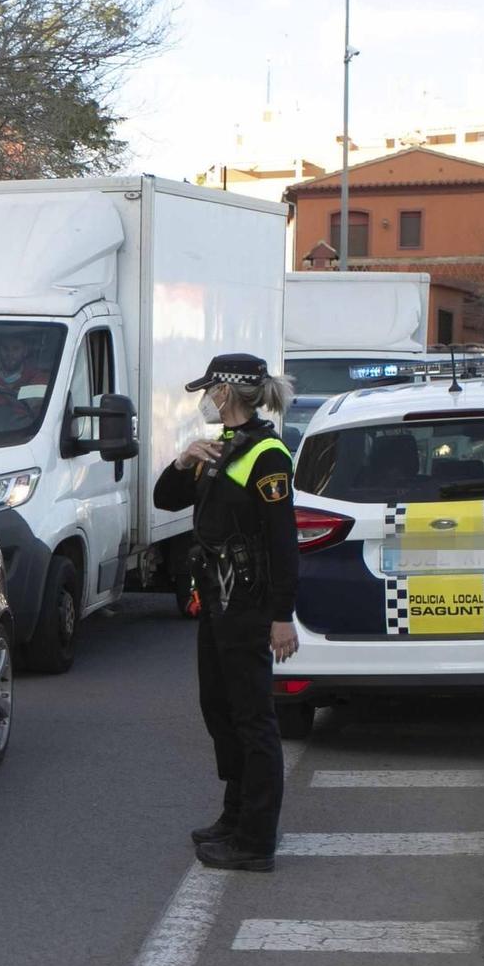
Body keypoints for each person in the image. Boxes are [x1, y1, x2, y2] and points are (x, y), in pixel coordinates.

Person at [153, 353, 299, 873]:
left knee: (253, 718)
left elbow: (284, 541)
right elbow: (165, 499)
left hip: (248, 601)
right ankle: (234, 816)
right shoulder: (220, 449)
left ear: (227, 394)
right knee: (219, 709)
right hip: (215, 598)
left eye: (211, 391)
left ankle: (255, 839)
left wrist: (282, 615)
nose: (206, 400)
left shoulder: (267, 455)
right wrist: (183, 460)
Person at [0, 333, 52, 420]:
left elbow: (32, 403)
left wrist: (0, 389)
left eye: (16, 349)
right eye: (5, 348)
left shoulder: (39, 377)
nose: (9, 354)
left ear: (25, 351)